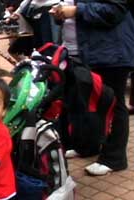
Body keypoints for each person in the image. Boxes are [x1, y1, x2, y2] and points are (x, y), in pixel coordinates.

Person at [50, 0, 134, 175]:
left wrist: (75, 10)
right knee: (82, 103)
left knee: (113, 104)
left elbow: (114, 11)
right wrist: (60, 14)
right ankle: (87, 146)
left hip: (109, 53)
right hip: (78, 52)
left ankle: (114, 158)